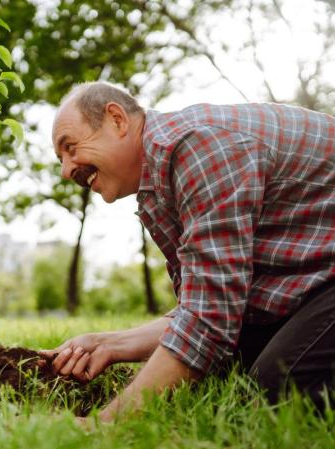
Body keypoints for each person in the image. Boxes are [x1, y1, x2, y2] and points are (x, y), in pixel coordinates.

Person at [39, 81, 335, 421]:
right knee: (225, 374)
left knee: (278, 387)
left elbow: (209, 320)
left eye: (70, 147)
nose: (66, 170)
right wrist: (108, 344)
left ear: (117, 119)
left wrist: (106, 424)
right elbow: (208, 303)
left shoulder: (199, 149)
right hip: (317, 283)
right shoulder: (160, 183)